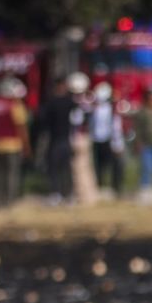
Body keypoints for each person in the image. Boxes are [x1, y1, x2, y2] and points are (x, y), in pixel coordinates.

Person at [0, 77, 30, 208]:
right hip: (13, 145)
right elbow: (21, 127)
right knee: (11, 175)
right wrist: (27, 146)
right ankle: (10, 201)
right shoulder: (14, 105)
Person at [35, 76, 76, 205]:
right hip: (56, 139)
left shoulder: (54, 102)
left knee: (64, 168)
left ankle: (66, 194)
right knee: (56, 168)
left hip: (64, 139)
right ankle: (58, 193)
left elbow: (41, 120)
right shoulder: (67, 102)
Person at [89, 82, 126, 198]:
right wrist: (118, 144)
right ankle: (113, 187)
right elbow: (116, 128)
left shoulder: (97, 109)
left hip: (102, 140)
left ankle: (104, 186)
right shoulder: (107, 110)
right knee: (109, 166)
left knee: (101, 166)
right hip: (106, 141)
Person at [67, 72, 98, 206]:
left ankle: (83, 196)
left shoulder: (73, 102)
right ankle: (91, 194)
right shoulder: (89, 100)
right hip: (86, 136)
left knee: (78, 167)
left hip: (77, 136)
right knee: (87, 165)